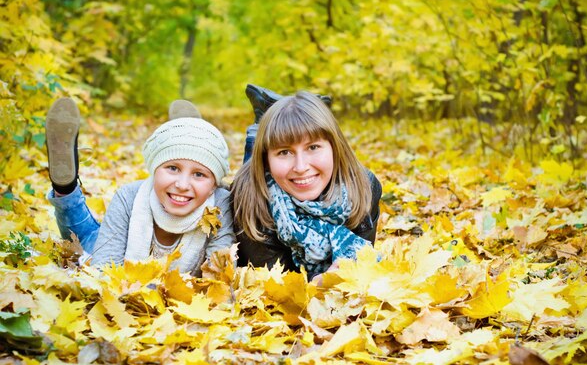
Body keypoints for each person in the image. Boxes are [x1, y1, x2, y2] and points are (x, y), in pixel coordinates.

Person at [45, 98, 234, 276]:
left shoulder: (219, 204)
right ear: (154, 170)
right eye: (173, 168)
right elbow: (104, 271)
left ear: (213, 185)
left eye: (199, 174)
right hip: (115, 243)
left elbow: (221, 282)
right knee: (86, 238)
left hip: (181, 298)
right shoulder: (129, 195)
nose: (182, 185)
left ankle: (189, 134)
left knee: (86, 234)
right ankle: (66, 187)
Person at [232, 86, 382, 279]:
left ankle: (284, 112)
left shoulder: (364, 186)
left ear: (336, 148)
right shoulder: (248, 197)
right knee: (254, 154)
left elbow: (364, 262)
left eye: (313, 147)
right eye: (284, 152)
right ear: (267, 160)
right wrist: (318, 286)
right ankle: (261, 126)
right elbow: (276, 286)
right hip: (258, 184)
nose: (301, 167)